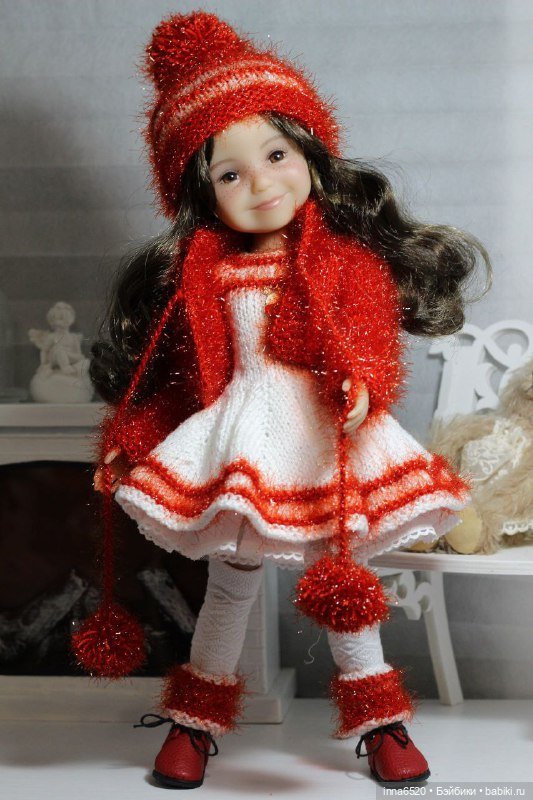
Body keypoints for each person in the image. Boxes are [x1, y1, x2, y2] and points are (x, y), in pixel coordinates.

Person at [74, 11, 491, 790]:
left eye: (275, 154)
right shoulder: (200, 275)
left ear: (309, 153)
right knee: (229, 587)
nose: (261, 183)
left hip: (325, 437)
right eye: (229, 174)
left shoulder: (345, 262)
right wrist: (132, 439)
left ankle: (379, 722)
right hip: (241, 439)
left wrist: (359, 385)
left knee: (345, 582)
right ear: (200, 194)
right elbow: (177, 380)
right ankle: (193, 723)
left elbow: (370, 343)